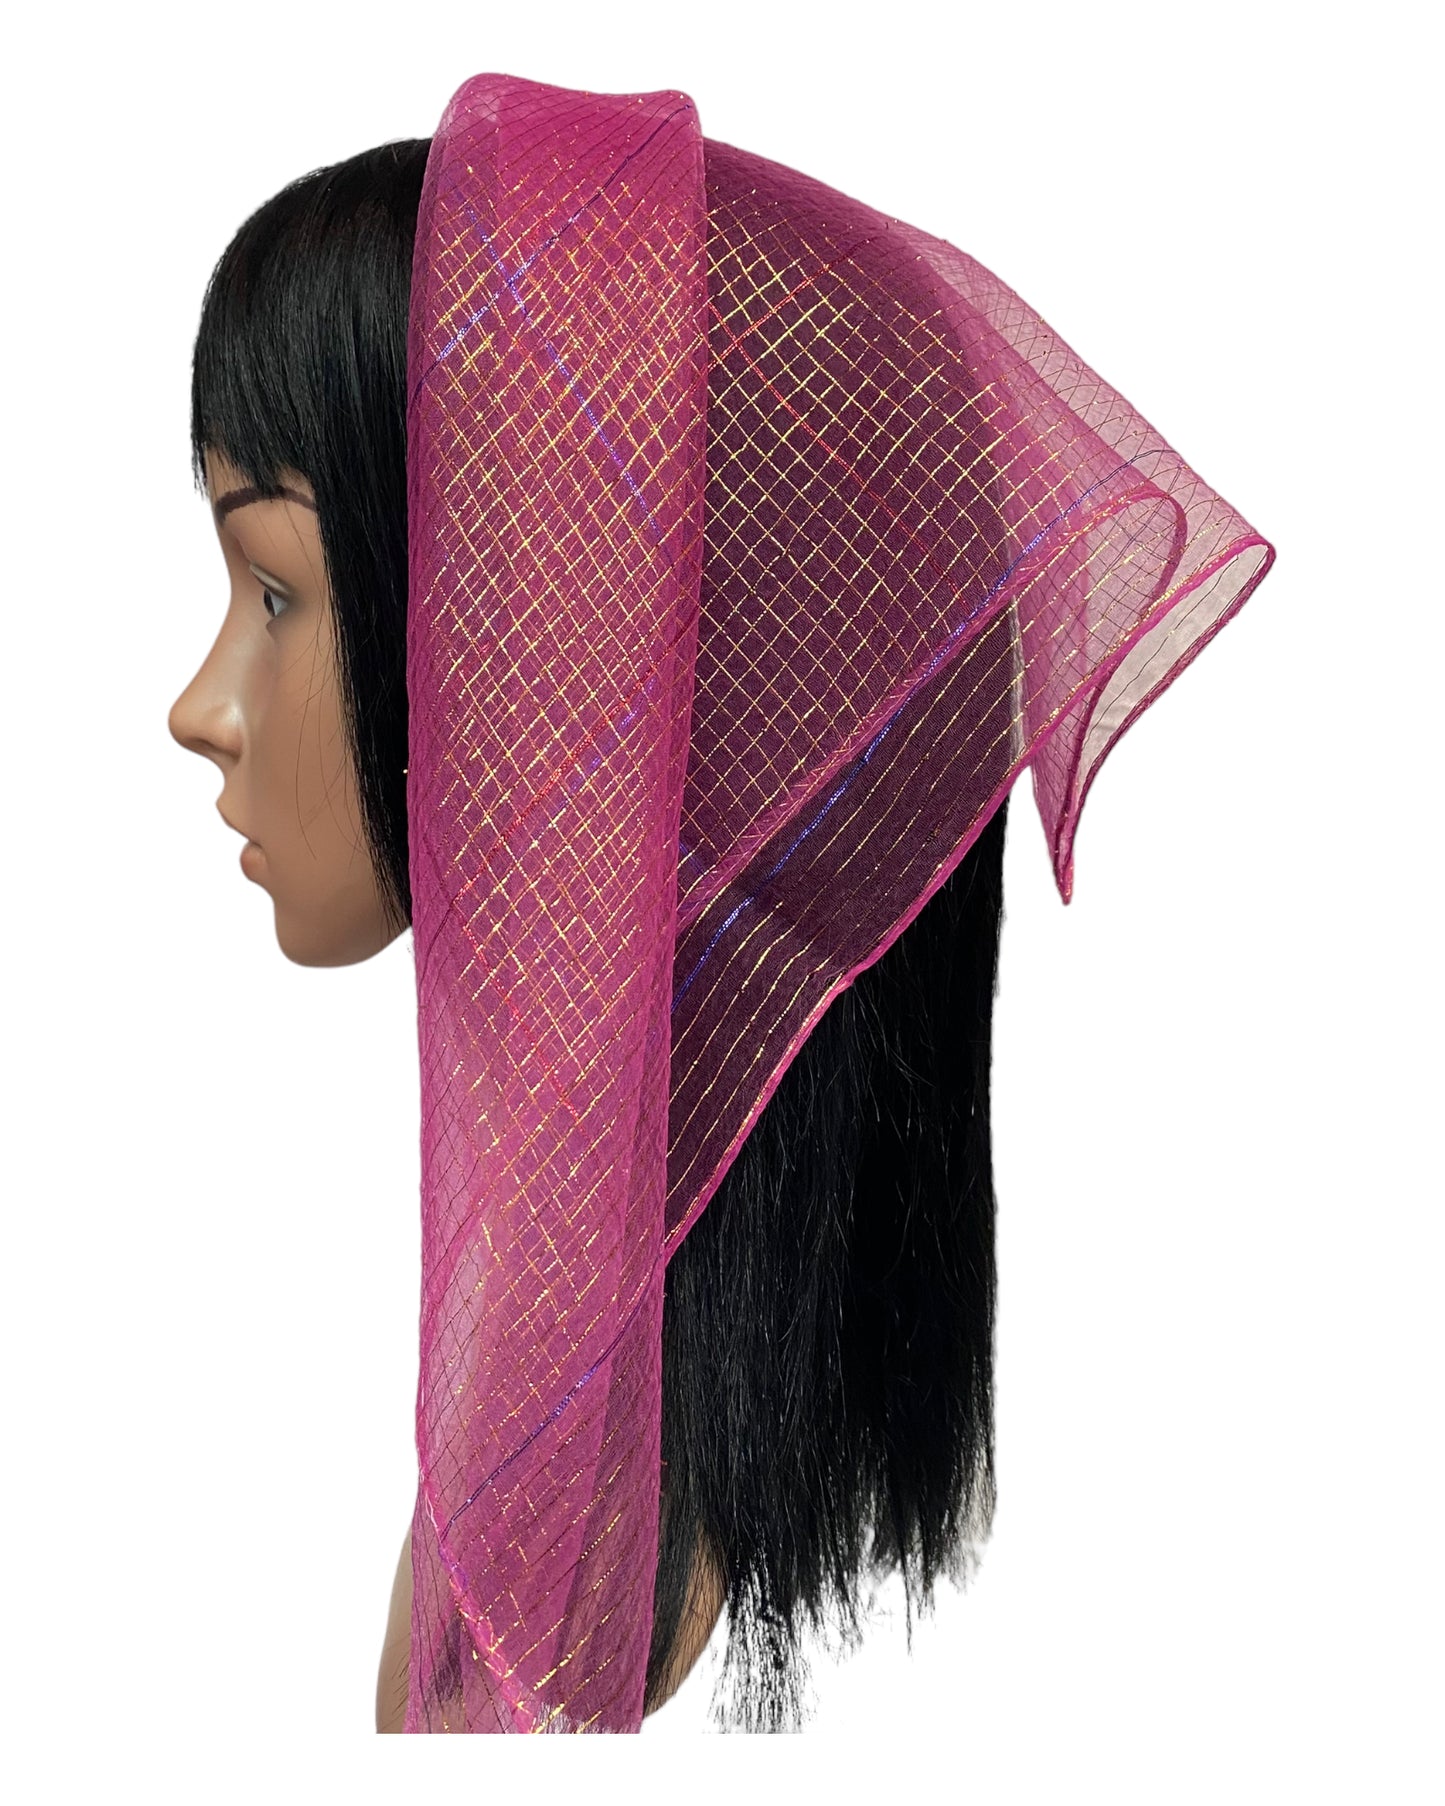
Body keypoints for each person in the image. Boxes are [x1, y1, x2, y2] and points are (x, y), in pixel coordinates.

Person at [170, 77, 1272, 1733]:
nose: (200, 705)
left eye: (276, 589)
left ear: (552, 662)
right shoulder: (573, 1433)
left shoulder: (569, 1566)